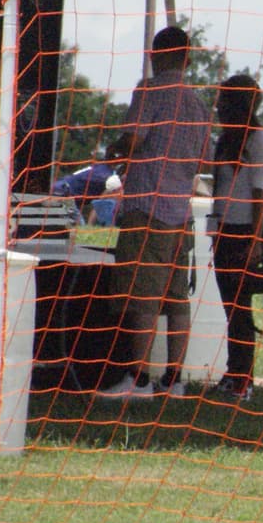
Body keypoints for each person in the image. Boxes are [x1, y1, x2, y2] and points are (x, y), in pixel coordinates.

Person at [96, 26, 210, 401]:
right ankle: (174, 381)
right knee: (177, 299)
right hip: (180, 210)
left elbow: (133, 138)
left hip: (147, 207)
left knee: (141, 297)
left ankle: (139, 379)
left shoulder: (149, 90)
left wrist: (112, 151)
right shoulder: (197, 102)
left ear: (154, 54)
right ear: (188, 58)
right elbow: (202, 157)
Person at [207, 74, 263, 404]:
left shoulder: (258, 140)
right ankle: (233, 373)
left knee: (241, 309)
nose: (218, 106)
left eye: (224, 100)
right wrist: (215, 229)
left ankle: (243, 381)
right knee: (230, 309)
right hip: (224, 232)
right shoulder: (225, 141)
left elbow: (260, 193)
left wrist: (256, 240)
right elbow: (221, 190)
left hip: (247, 231)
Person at [51, 149, 122, 226]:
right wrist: (90, 224)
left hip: (58, 188)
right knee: (80, 228)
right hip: (64, 193)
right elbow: (100, 203)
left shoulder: (99, 167)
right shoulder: (108, 176)